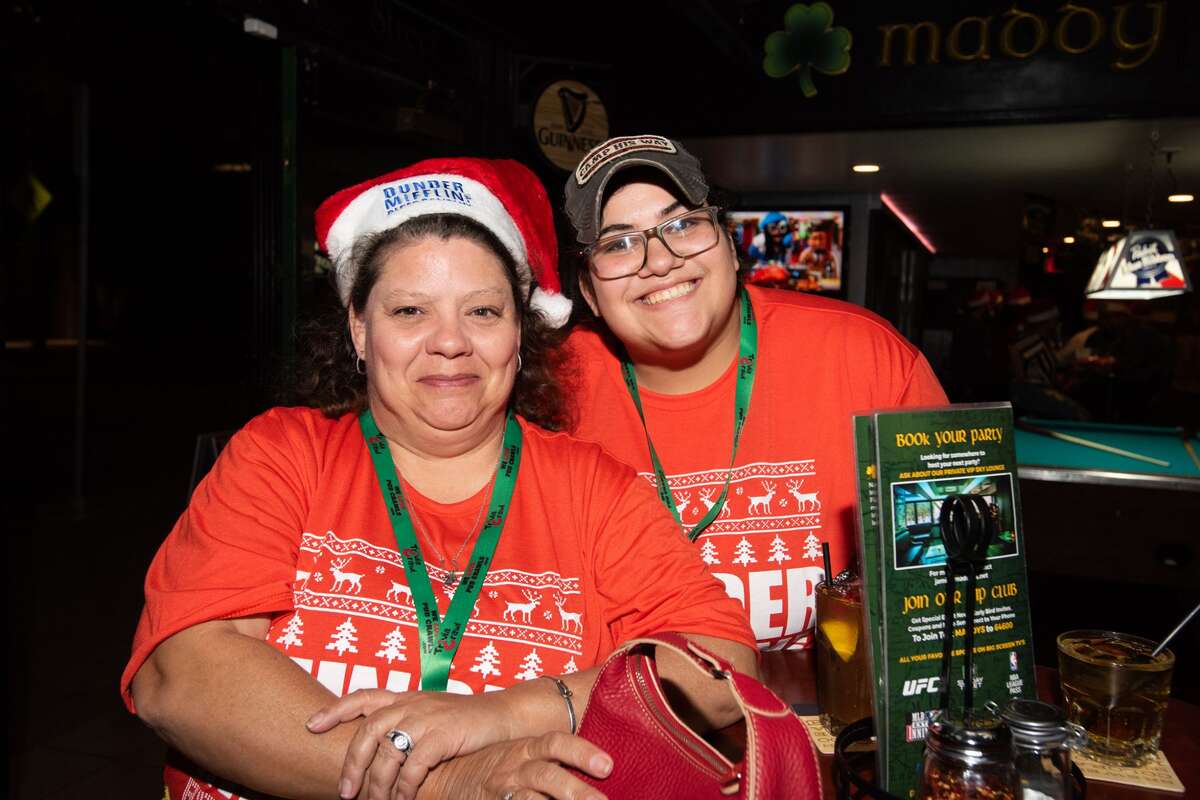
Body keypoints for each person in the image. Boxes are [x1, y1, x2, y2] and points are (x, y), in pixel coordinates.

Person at [122, 157, 757, 800]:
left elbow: (722, 666)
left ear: (520, 331)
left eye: (482, 311)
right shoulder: (284, 455)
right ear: (359, 328)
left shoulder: (592, 489)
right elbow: (179, 676)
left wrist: (508, 713)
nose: (449, 342)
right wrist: (447, 782)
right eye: (409, 311)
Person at [561, 135, 948, 652]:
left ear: (729, 242)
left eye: (683, 225)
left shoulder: (868, 359)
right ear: (589, 291)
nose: (659, 261)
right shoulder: (548, 391)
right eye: (618, 244)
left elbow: (952, 592)